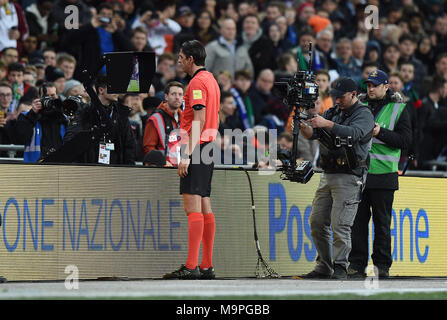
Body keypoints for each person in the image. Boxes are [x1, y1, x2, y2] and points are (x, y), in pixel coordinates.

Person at [299, 77, 375, 279]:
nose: (337, 101)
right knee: (317, 221)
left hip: (350, 175)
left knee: (340, 224)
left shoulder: (364, 114)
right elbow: (313, 134)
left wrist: (327, 123)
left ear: (353, 95)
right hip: (328, 173)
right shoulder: (334, 111)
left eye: (341, 97)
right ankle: (324, 265)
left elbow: (355, 133)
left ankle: (340, 266)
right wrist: (304, 126)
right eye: (335, 97)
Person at [163, 40, 220, 280]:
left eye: (181, 57)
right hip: (209, 145)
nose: (178, 61)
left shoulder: (196, 82)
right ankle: (206, 266)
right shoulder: (212, 80)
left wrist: (185, 154)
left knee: (192, 207)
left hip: (196, 147)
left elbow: (198, 117)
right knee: (205, 203)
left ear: (190, 59)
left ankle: (191, 266)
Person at [349, 70, 412, 279]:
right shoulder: (358, 106)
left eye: (375, 85)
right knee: (357, 223)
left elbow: (405, 142)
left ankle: (381, 267)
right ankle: (357, 265)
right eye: (368, 85)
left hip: (383, 175)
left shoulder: (399, 109)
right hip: (359, 174)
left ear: (386, 87)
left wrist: (380, 133)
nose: (370, 89)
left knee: (382, 224)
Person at [63, 74, 136, 165]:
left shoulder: (121, 114)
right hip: (89, 169)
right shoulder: (84, 112)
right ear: (101, 90)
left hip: (115, 170)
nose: (117, 92)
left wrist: (129, 169)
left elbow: (129, 145)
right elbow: (70, 141)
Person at [15, 82, 68, 162]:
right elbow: (21, 139)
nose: (49, 99)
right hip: (35, 166)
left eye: (52, 96)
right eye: (46, 96)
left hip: (61, 165)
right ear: (38, 98)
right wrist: (32, 114)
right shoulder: (26, 116)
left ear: (57, 96)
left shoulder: (65, 118)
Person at [143, 81, 184, 166]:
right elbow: (149, 149)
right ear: (166, 97)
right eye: (173, 94)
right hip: (162, 169)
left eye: (180, 94)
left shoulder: (185, 119)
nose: (177, 97)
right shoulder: (155, 119)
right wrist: (163, 162)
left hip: (181, 169)